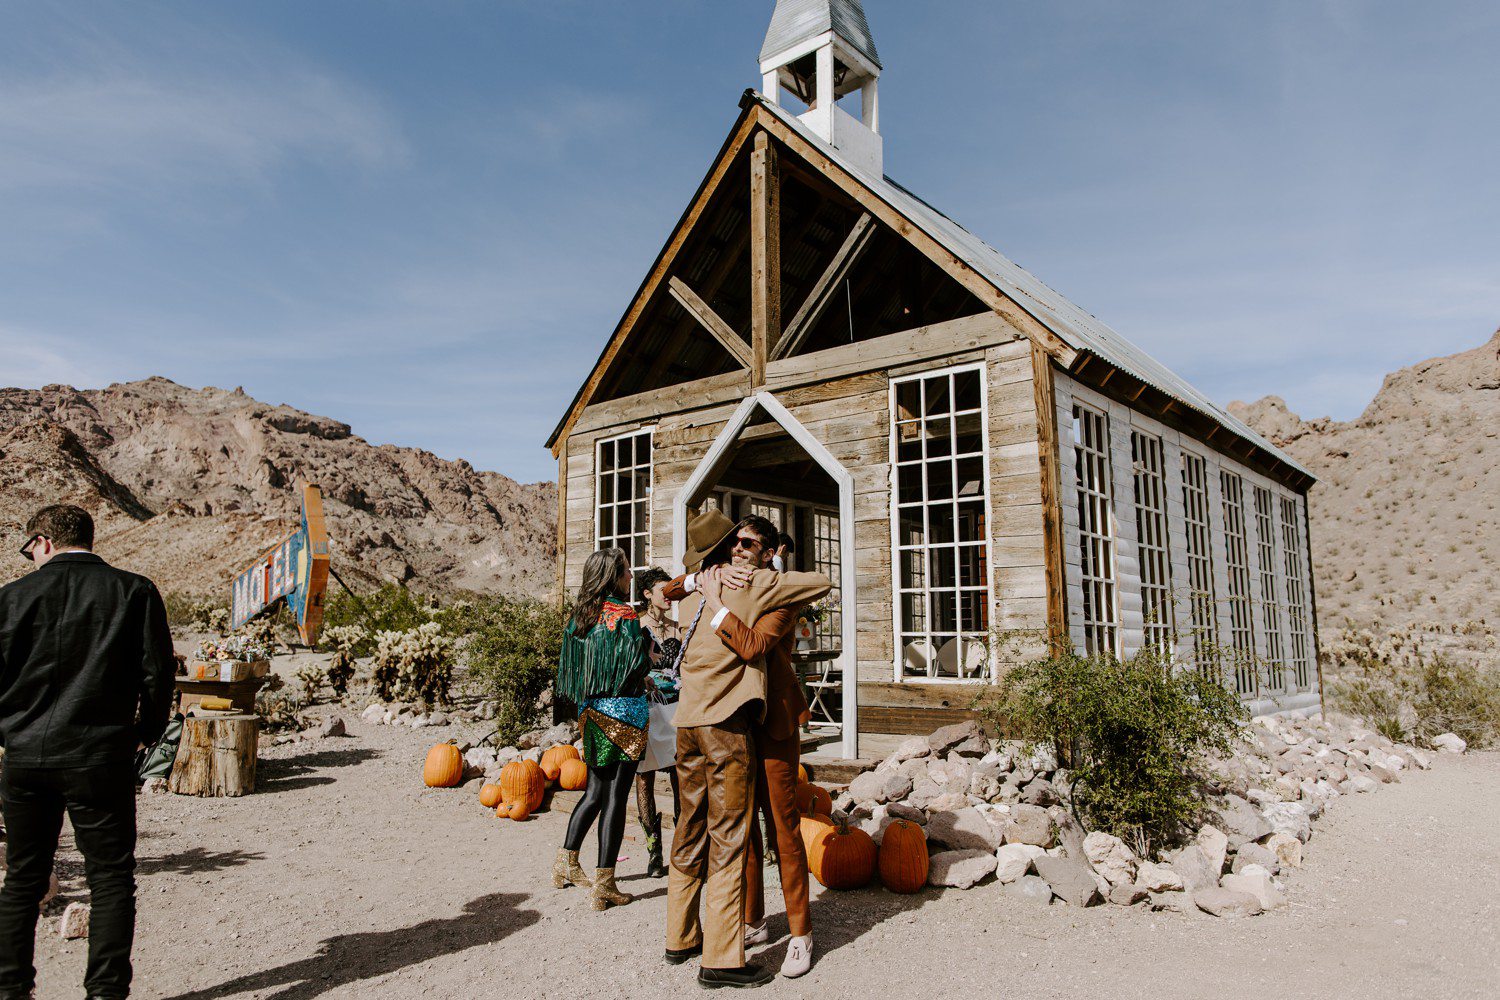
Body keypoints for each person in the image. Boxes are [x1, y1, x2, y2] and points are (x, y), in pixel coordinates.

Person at [0, 504, 177, 1000]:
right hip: (101, 756)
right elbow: (158, 675)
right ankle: (105, 992)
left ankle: (11, 991)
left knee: (23, 880)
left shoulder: (9, 600)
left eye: (28, 548)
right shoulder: (133, 591)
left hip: (26, 757)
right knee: (111, 879)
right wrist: (146, 732)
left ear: (43, 542)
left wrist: (9, 734)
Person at [662, 512, 829, 989]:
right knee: (739, 831)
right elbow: (670, 590)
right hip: (731, 721)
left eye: (750, 544)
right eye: (735, 542)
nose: (739, 550)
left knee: (782, 827)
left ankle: (800, 930)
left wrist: (716, 600)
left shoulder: (774, 591)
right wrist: (701, 578)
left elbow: (755, 644)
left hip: (770, 720)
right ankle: (750, 919)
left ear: (770, 551)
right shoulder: (719, 578)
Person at [552, 547, 652, 911]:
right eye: (627, 571)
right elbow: (635, 666)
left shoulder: (579, 618)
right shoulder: (624, 615)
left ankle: (566, 863)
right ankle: (605, 883)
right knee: (616, 798)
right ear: (613, 576)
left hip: (591, 713)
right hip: (625, 714)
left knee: (594, 792)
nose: (631, 577)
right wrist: (648, 650)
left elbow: (575, 671)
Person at [633, 566, 681, 879]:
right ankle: (654, 853)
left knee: (681, 779)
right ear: (648, 594)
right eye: (663, 590)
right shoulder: (636, 627)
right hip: (647, 709)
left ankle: (683, 849)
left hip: (676, 710)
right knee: (645, 779)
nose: (669, 596)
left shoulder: (679, 628)